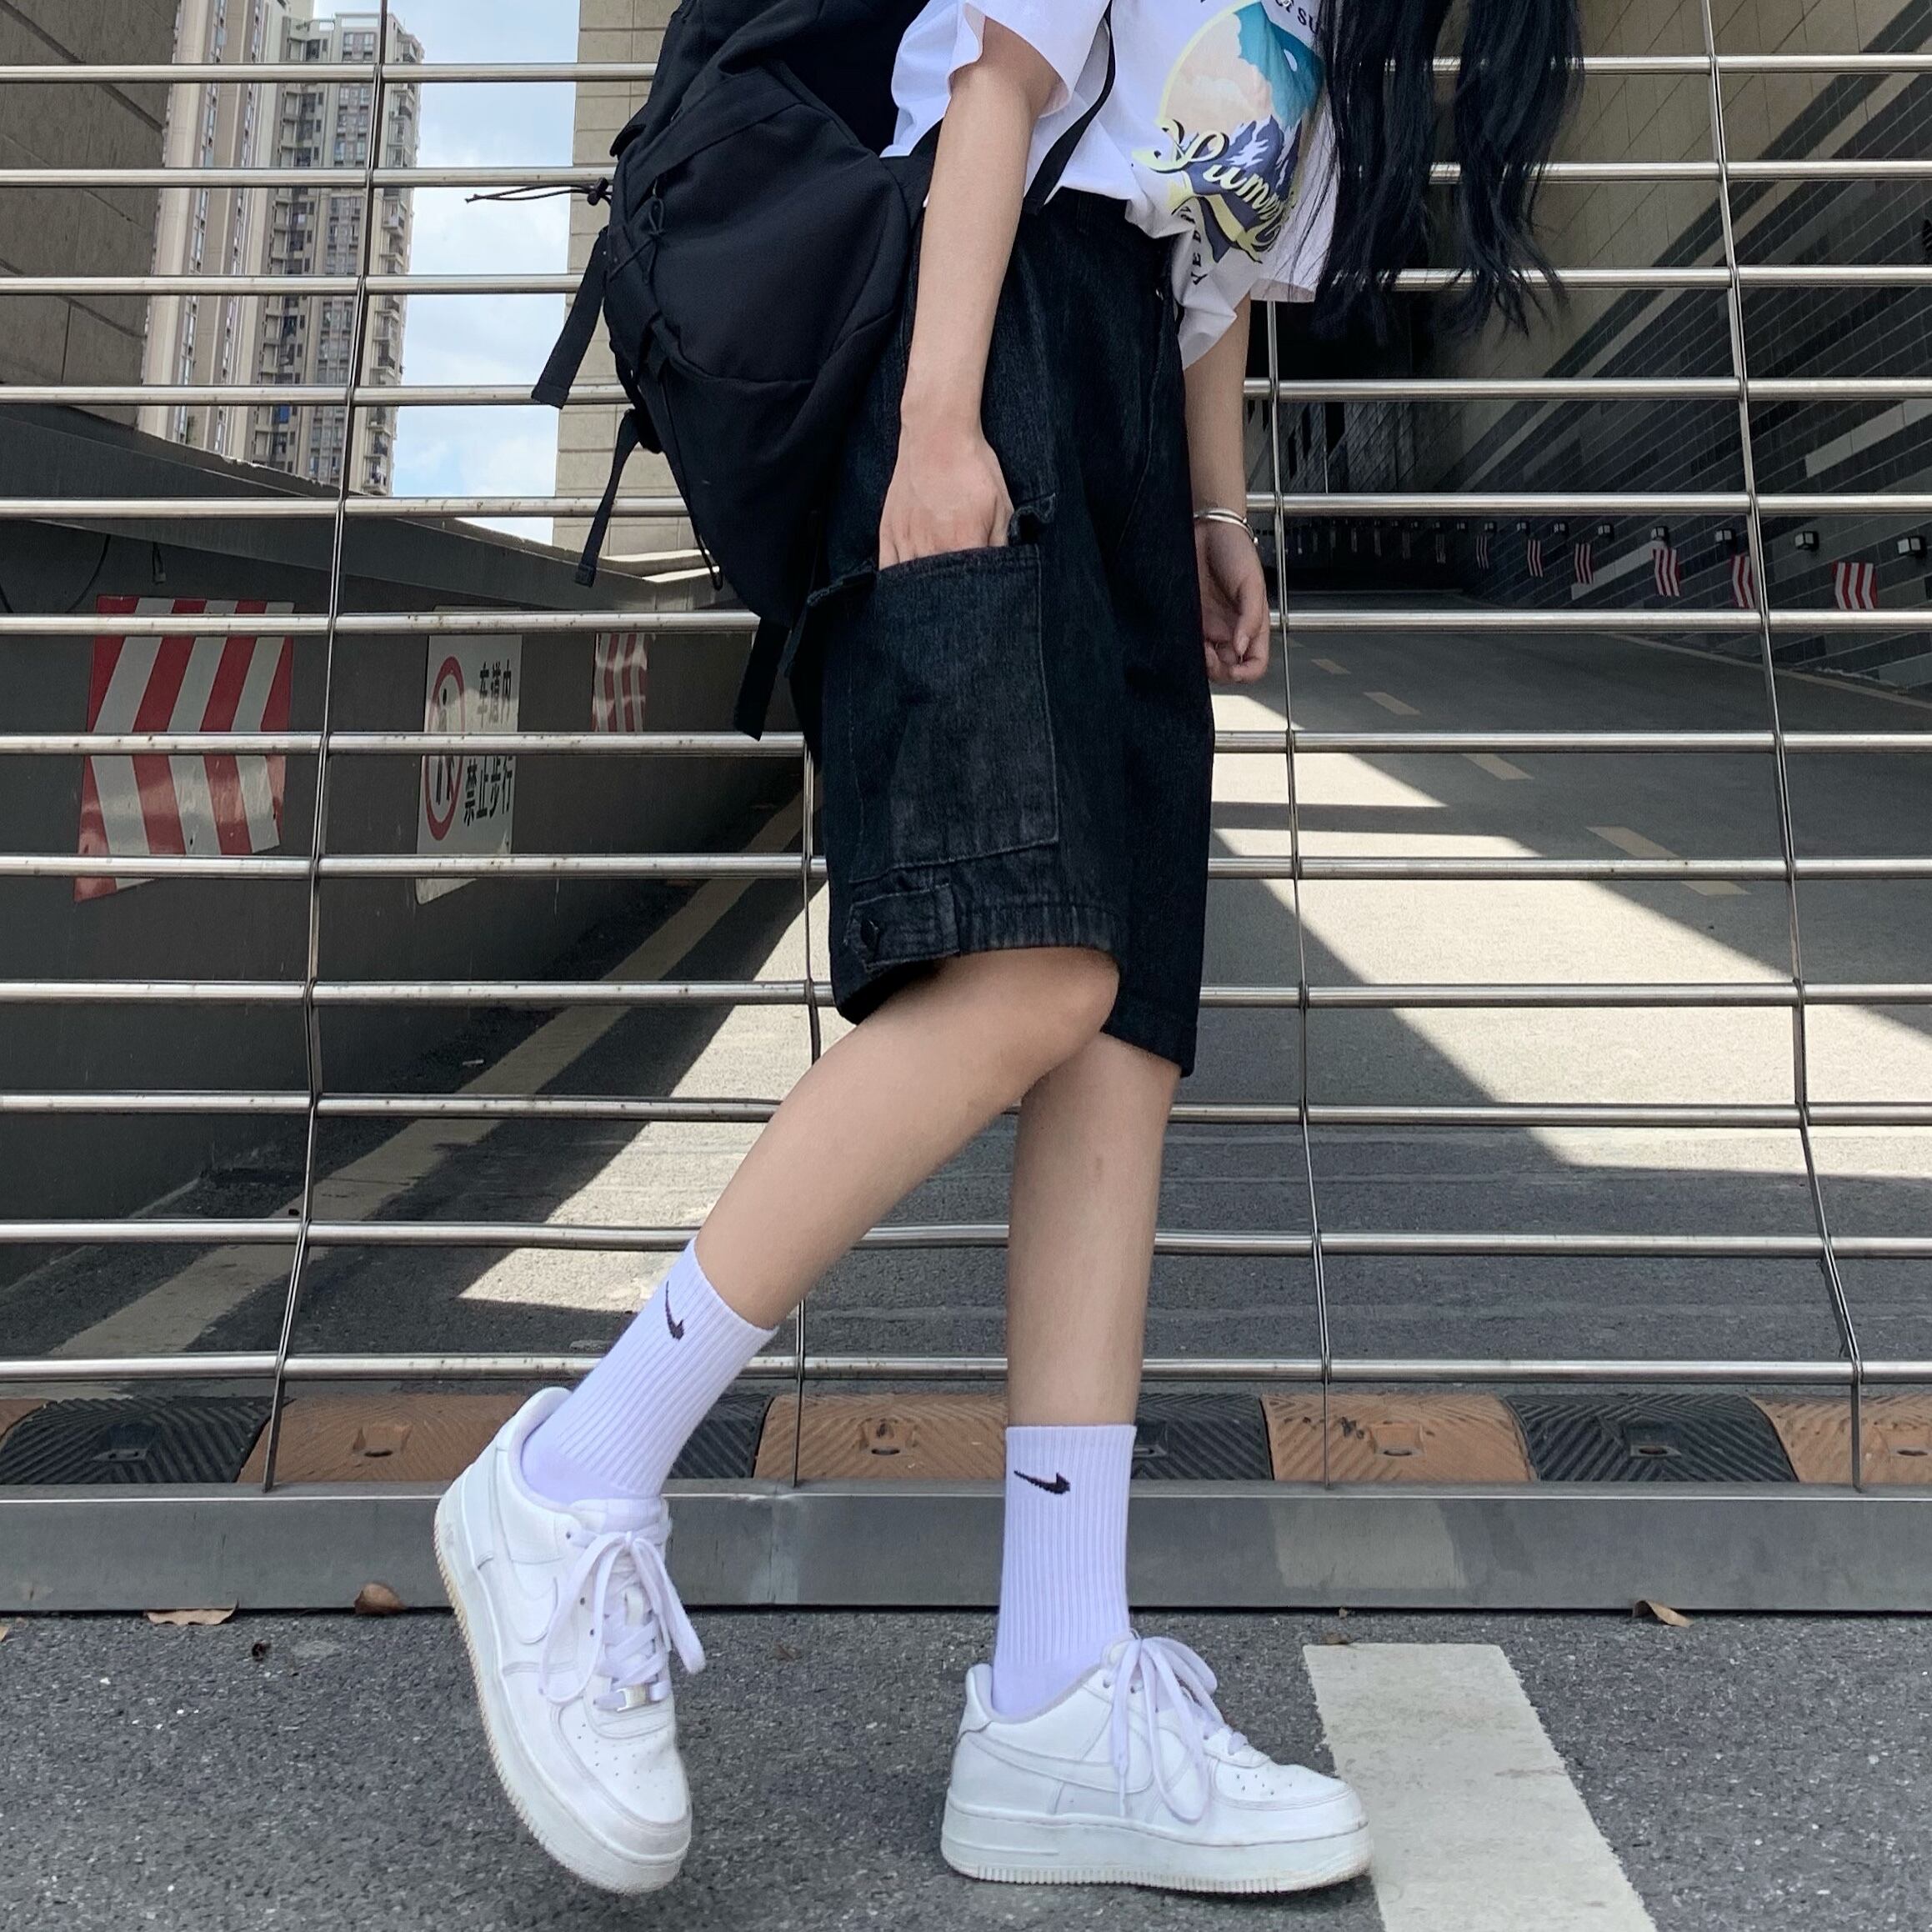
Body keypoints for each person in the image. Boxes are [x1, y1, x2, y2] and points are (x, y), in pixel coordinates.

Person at [436, 0, 1578, 1898]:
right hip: (986, 335)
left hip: (1114, 387)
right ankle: (574, 1475)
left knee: (1121, 1035)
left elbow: (1203, 267)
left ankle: (1056, 1686)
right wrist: (940, 421)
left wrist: (1214, 510)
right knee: (1026, 967)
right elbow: (999, 86)